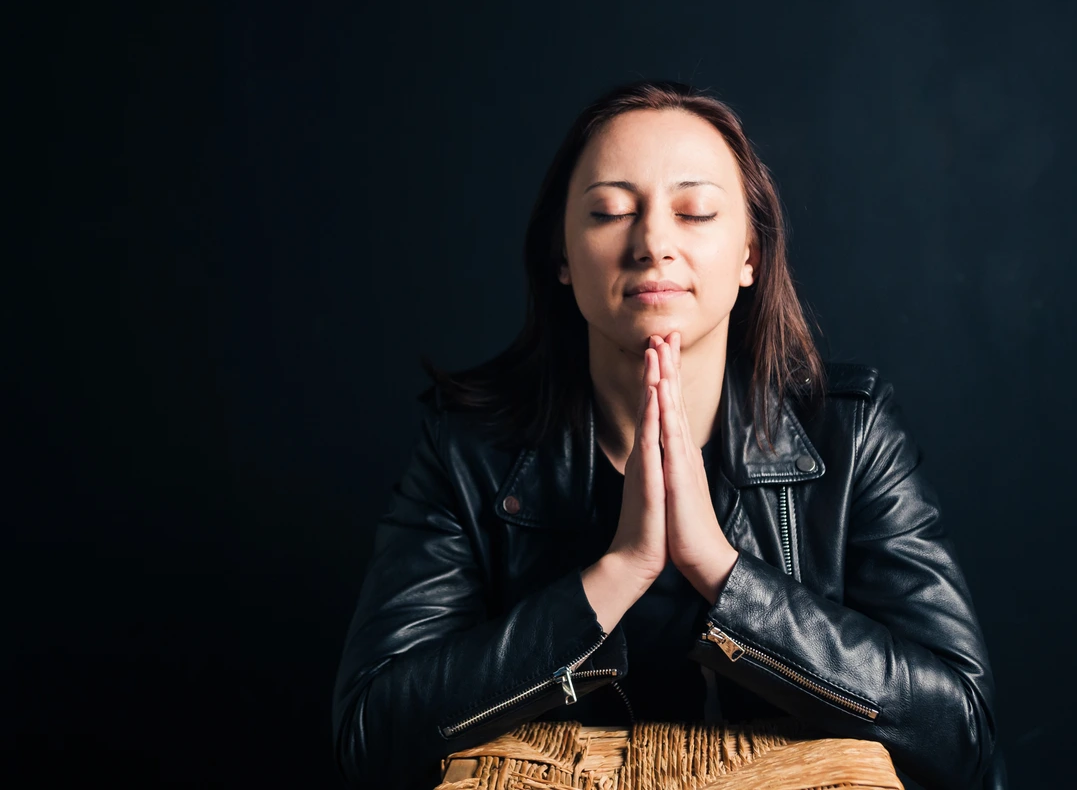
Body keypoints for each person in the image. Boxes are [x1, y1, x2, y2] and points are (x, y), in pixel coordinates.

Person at [331, 80, 998, 790]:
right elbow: (372, 737)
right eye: (610, 211)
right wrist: (616, 575)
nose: (652, 243)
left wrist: (719, 569)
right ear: (561, 256)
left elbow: (960, 733)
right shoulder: (468, 448)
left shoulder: (849, 433)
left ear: (751, 255)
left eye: (696, 212)